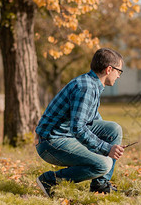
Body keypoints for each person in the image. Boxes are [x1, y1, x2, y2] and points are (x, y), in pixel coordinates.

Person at [35, 48, 126, 196]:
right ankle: (49, 180)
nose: (119, 76)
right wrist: (105, 148)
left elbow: (93, 120)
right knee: (104, 164)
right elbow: (78, 128)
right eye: (119, 71)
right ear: (109, 69)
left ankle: (100, 185)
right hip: (51, 143)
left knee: (114, 129)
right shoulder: (86, 88)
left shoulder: (92, 84)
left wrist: (109, 143)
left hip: (65, 135)